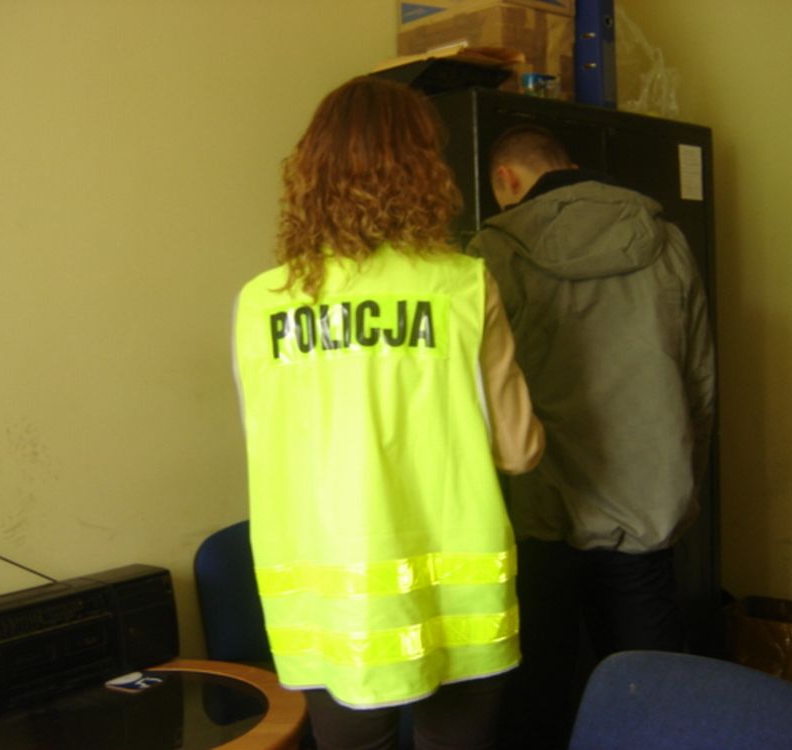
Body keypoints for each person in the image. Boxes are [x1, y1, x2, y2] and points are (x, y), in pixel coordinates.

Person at [232, 77, 544, 750]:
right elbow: (519, 451)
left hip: (328, 606)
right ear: (423, 170)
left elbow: (268, 442)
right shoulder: (463, 285)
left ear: (310, 173)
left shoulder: (261, 303)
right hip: (457, 600)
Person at [465, 124, 715, 749]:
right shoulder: (667, 240)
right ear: (569, 165)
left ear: (506, 179)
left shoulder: (493, 251)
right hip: (646, 508)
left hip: (539, 511)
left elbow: (477, 398)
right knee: (650, 695)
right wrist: (681, 484)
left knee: (535, 696)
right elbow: (700, 380)